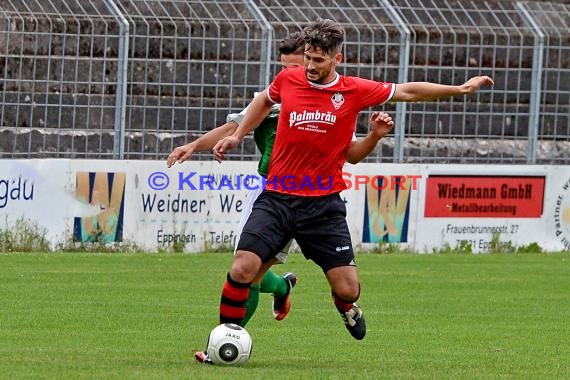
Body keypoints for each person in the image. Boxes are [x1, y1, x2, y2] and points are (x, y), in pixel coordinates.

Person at [210, 17, 494, 351]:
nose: (311, 66)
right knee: (243, 266)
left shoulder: (353, 90)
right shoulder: (289, 78)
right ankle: (221, 343)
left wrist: (459, 89)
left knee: (348, 288)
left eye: (318, 60)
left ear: (336, 59)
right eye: (308, 58)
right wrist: (238, 136)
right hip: (278, 196)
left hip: (323, 206)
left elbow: (406, 91)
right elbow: (263, 101)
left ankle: (345, 307)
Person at [168, 32, 395, 361]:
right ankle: (225, 342)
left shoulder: (332, 104)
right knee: (247, 271)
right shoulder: (274, 98)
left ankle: (306, 294)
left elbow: (351, 152)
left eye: (308, 63)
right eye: (294, 65)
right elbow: (229, 128)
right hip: (272, 192)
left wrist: (374, 134)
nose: (302, 72)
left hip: (318, 200)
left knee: (304, 281)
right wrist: (193, 146)